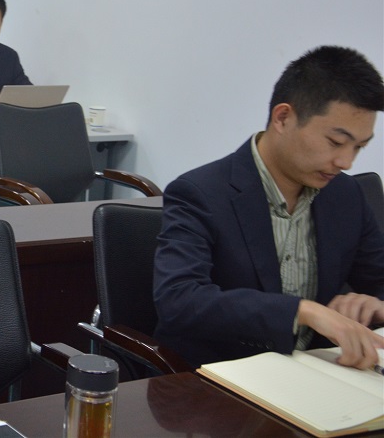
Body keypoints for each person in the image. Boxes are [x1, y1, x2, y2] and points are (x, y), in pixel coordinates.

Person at [153, 46, 384, 369]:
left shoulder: (345, 194)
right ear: (283, 117)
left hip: (316, 370)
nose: (346, 162)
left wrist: (377, 305)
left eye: (359, 147)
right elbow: (179, 300)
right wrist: (302, 311)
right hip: (222, 376)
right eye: (335, 142)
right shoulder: (200, 193)